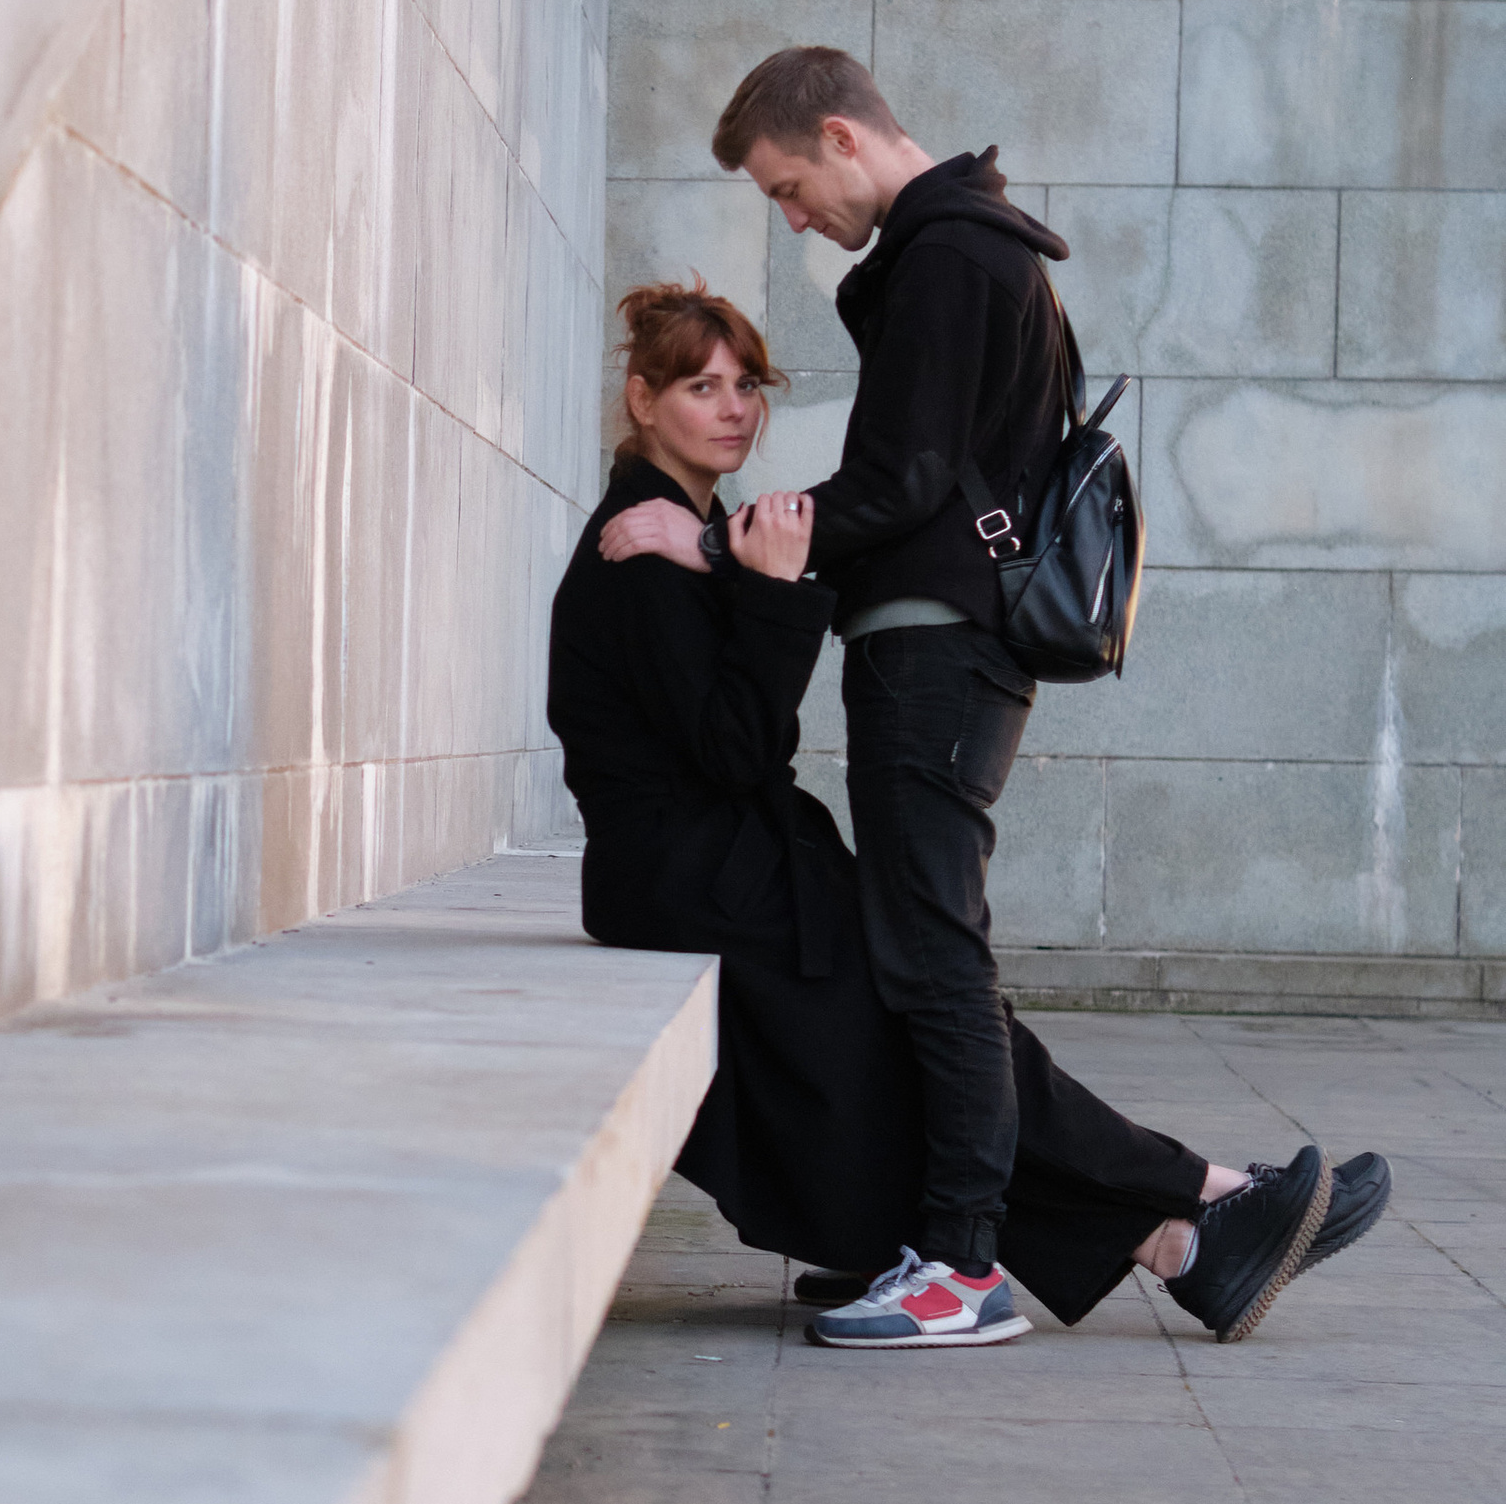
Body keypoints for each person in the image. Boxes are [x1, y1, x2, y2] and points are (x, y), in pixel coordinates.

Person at [553, 275, 1390, 1346]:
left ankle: (1185, 1245)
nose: (734, 409)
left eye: (747, 385)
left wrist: (754, 576)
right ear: (641, 400)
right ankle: (1208, 1197)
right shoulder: (639, 546)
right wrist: (769, 593)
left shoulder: (690, 529)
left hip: (731, 868)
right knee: (950, 1034)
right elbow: (731, 753)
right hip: (697, 883)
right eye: (700, 388)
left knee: (941, 1046)